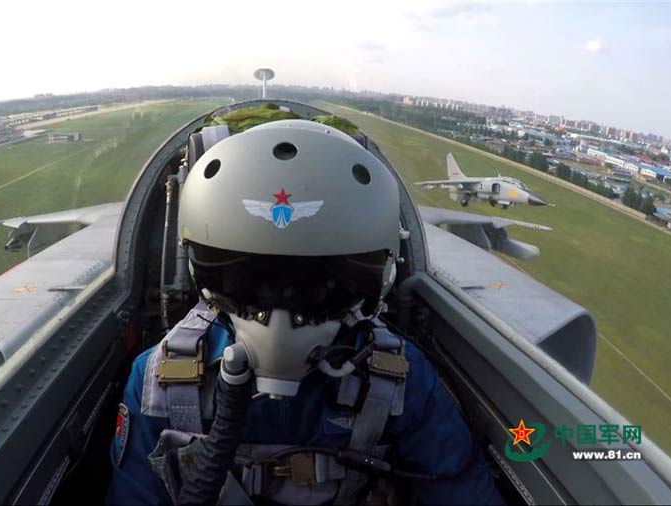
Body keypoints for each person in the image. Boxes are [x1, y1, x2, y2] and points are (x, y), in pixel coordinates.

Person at [107, 119, 503, 505]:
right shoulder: (162, 380)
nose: (280, 323)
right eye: (250, 281)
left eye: (320, 285)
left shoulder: (401, 382)